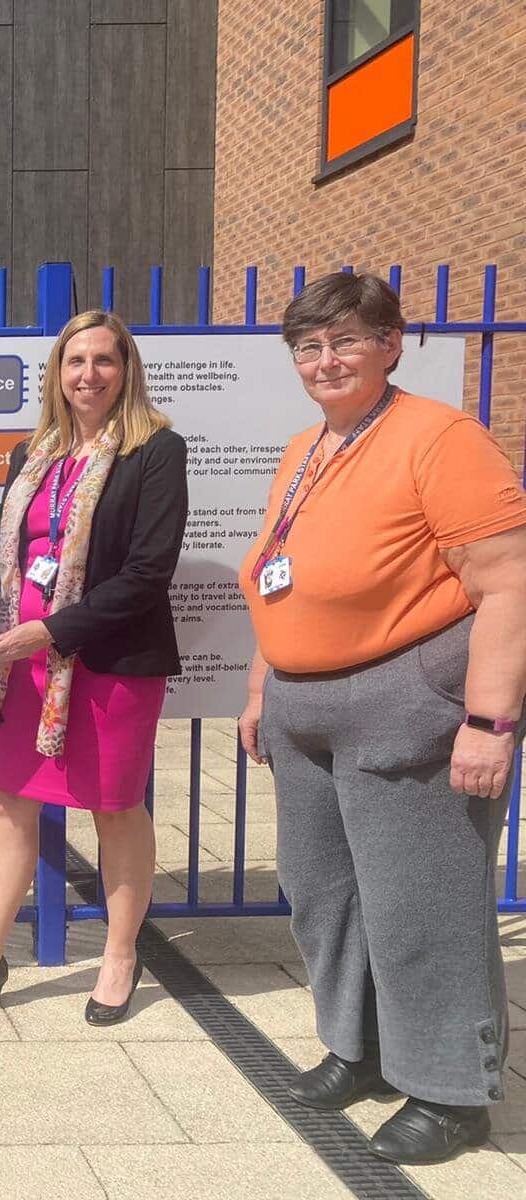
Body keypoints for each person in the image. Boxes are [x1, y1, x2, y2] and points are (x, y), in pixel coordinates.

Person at [237, 272, 526, 1165]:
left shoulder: (441, 438)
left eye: (347, 341)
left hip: (406, 700)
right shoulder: (306, 446)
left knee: (421, 904)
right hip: (303, 704)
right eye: (308, 346)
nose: (325, 361)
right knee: (326, 893)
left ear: (392, 345)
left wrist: (490, 721)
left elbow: (507, 579)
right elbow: (276, 576)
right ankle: (359, 1048)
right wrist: (260, 691)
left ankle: (447, 1089)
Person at [0, 310, 187, 1025]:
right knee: (7, 803)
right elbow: (12, 549)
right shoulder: (33, 451)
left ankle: (121, 956)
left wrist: (52, 628)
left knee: (114, 807)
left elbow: (146, 573)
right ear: (56, 373)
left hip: (109, 662)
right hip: (23, 662)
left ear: (126, 371)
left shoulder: (155, 452)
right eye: (75, 361)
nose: (89, 375)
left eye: (105, 360)